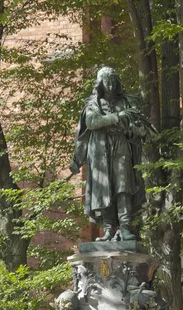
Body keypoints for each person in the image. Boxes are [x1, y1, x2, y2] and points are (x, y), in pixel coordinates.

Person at [70, 67, 153, 242]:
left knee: (124, 186)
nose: (111, 84)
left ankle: (125, 227)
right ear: (100, 83)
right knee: (103, 188)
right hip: (99, 149)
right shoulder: (93, 104)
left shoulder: (128, 102)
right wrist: (118, 117)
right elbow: (91, 123)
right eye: (107, 80)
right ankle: (108, 229)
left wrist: (136, 127)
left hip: (120, 145)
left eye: (114, 80)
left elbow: (138, 126)